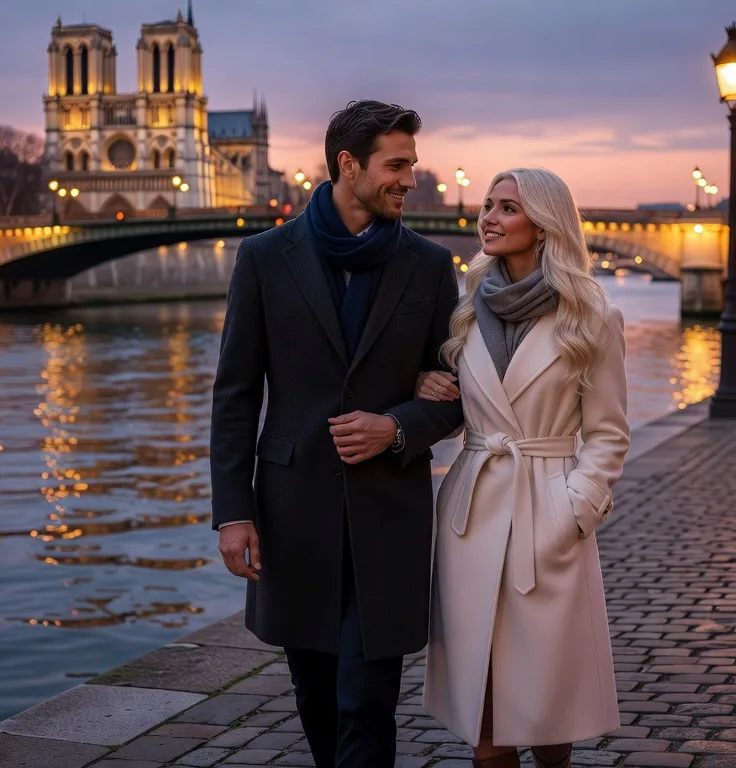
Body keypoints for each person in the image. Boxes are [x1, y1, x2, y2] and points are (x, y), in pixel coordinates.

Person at [210, 100, 464, 767]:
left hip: (389, 513)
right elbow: (236, 394)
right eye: (397, 164)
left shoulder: (430, 267)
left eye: (413, 163)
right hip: (294, 513)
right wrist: (233, 513)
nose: (411, 178)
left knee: (365, 698)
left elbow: (459, 393)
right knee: (316, 694)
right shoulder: (265, 258)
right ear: (349, 165)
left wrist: (397, 425)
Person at [416, 168, 630, 767]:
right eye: (487, 205)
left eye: (506, 208)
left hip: (548, 511)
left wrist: (574, 511)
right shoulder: (467, 310)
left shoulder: (591, 316)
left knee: (546, 702)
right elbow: (469, 407)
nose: (487, 216)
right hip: (474, 515)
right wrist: (424, 383)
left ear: (543, 224)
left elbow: (608, 434)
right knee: (482, 706)